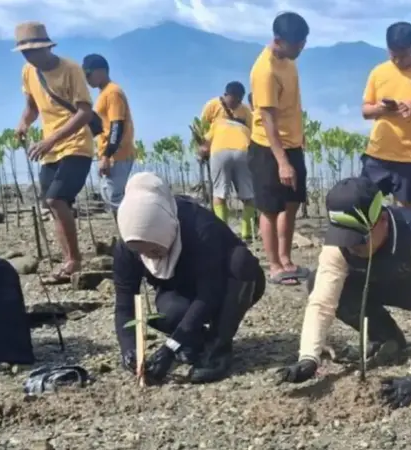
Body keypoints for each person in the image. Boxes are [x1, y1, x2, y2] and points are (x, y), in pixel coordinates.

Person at [276, 177, 411, 409]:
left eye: (359, 241)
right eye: (346, 241)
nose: (352, 248)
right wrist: (309, 357)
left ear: (381, 220)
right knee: (316, 281)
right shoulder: (338, 245)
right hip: (377, 283)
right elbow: (321, 303)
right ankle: (387, 337)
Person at [113, 172, 265, 385]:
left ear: (166, 231)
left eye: (155, 249)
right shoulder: (127, 246)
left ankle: (218, 348)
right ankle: (195, 342)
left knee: (241, 262)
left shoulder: (199, 227)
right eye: (142, 251)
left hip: (229, 285)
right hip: (181, 290)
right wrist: (129, 350)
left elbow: (210, 294)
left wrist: (170, 346)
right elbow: (124, 305)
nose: (149, 255)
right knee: (171, 313)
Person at [14, 22, 95, 282]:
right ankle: (68, 260)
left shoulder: (70, 69)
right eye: (24, 52)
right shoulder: (28, 71)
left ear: (46, 48)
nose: (29, 56)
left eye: (33, 51)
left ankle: (73, 259)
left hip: (76, 144)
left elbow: (85, 112)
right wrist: (24, 123)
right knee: (54, 205)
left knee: (56, 199)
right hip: (49, 149)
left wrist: (51, 140)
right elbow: (32, 106)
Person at [249, 12, 310, 286]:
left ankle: (287, 260)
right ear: (278, 40)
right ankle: (274, 265)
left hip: (293, 143)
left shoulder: (289, 63)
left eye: (303, 42)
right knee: (270, 208)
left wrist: (300, 137)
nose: (301, 48)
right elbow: (268, 119)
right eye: (297, 44)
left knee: (292, 203)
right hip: (268, 148)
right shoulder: (265, 70)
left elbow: (293, 105)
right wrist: (282, 161)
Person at [360, 22, 411, 208]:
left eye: (403, 56)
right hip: (376, 154)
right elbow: (365, 111)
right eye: (393, 55)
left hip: (409, 158)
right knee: (367, 209)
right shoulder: (378, 72)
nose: (397, 61)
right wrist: (381, 109)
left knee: (404, 214)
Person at [199, 82, 256, 241]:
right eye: (234, 99)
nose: (236, 103)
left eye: (239, 100)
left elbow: (204, 137)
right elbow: (252, 135)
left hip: (220, 151)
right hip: (243, 151)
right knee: (248, 195)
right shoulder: (212, 106)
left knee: (219, 193)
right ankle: (247, 233)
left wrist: (202, 151)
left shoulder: (219, 123)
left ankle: (222, 233)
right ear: (226, 95)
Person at [82, 54, 136, 219]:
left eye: (88, 74)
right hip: (112, 154)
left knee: (115, 200)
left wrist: (106, 155)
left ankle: (132, 239)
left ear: (100, 71)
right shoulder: (104, 94)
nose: (87, 79)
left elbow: (116, 126)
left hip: (116, 155)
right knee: (113, 199)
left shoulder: (112, 93)